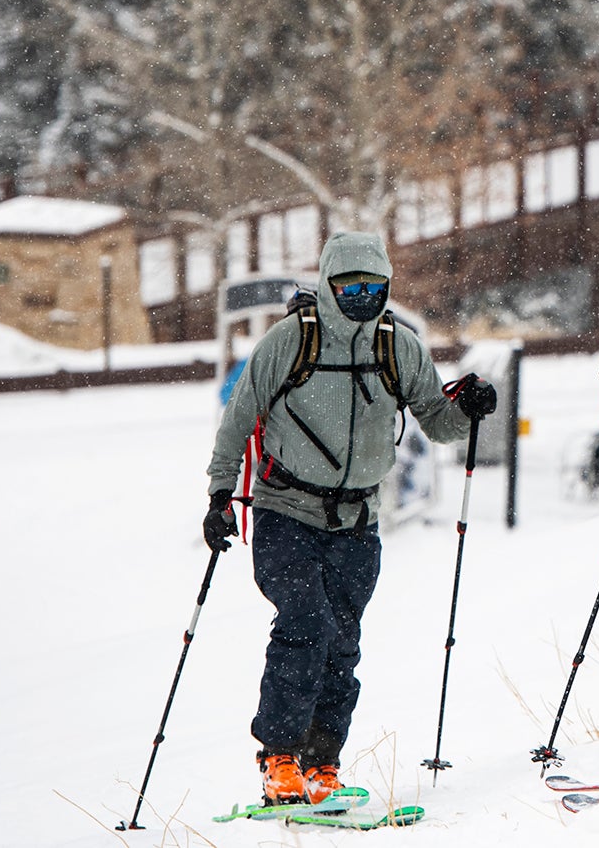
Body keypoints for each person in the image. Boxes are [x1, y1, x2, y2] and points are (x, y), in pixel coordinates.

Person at [204, 230, 497, 807]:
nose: (363, 296)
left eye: (375, 286)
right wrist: (219, 496)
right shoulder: (290, 342)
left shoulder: (398, 346)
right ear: (328, 284)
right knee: (305, 623)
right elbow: (238, 419)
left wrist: (466, 409)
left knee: (342, 642)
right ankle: (279, 759)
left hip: (358, 521)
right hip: (285, 509)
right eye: (350, 285)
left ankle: (322, 765)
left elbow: (436, 422)